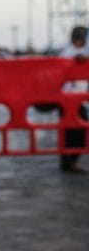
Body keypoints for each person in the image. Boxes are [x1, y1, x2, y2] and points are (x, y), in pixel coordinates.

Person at [59, 25, 88, 174]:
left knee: (71, 133)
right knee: (77, 132)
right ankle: (69, 163)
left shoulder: (76, 51)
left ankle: (68, 163)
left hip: (76, 98)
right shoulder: (71, 52)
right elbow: (73, 59)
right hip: (70, 99)